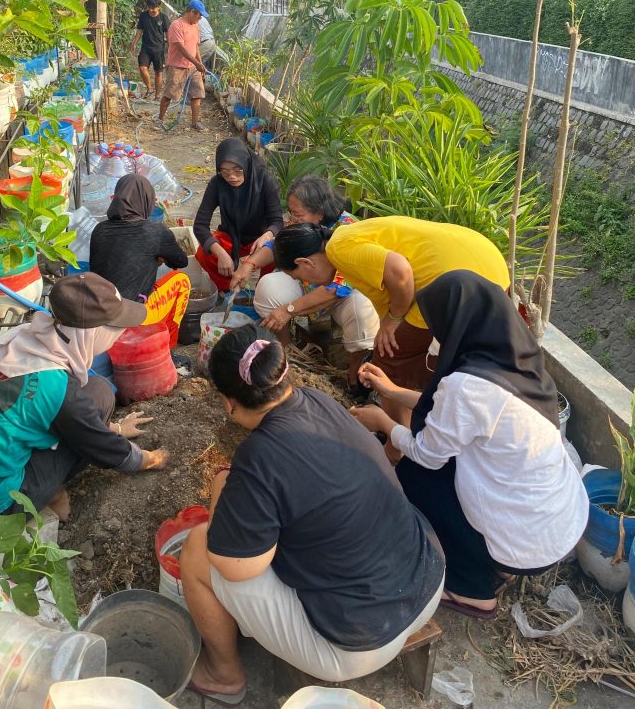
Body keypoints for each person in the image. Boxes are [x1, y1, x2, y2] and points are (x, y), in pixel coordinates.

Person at [179, 325, 444, 702]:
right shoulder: (319, 402)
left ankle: (224, 676)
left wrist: (223, 488)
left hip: (360, 641)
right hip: (427, 579)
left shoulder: (258, 458)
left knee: (197, 547)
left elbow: (236, 567)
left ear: (227, 402)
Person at [350, 271, 588, 619]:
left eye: (437, 327)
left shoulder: (468, 386)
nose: (435, 337)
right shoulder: (516, 359)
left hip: (529, 543)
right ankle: (500, 563)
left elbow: (426, 453)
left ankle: (471, 589)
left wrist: (384, 423)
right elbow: (457, 414)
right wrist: (391, 391)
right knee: (442, 460)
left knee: (416, 475)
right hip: (557, 526)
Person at [0, 274, 169, 521]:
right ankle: (53, 494)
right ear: (94, 334)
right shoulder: (58, 391)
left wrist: (116, 428)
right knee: (96, 402)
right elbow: (101, 447)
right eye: (116, 327)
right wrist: (148, 459)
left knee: (95, 393)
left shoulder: (20, 340)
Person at [272, 216, 510, 427]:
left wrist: (394, 319)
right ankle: (430, 416)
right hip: (488, 266)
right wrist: (389, 321)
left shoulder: (339, 250)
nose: (310, 283)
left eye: (299, 276)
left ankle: (400, 441)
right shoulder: (345, 234)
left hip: (455, 283)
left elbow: (400, 272)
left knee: (387, 363)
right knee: (411, 355)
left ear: (305, 262)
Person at [230, 176, 379, 396]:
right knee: (268, 287)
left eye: (297, 214)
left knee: (363, 310)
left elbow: (340, 288)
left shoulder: (349, 231)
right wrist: (249, 265)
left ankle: (354, 371)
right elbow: (277, 244)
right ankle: (287, 352)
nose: (291, 219)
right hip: (306, 286)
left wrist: (288, 309)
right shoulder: (299, 223)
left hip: (340, 297)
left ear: (320, 212)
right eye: (291, 213)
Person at [193, 138, 284, 292]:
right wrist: (220, 252)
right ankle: (229, 287)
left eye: (237, 170)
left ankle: (262, 291)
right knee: (204, 253)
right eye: (225, 172)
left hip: (260, 239)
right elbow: (200, 225)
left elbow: (277, 222)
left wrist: (268, 235)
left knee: (277, 251)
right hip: (231, 236)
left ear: (246, 165)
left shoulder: (265, 181)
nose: (232, 177)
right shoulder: (217, 184)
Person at [89, 174, 188, 301]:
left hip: (99, 305)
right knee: (181, 280)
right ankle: (163, 320)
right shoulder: (156, 231)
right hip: (133, 311)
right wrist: (161, 259)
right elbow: (182, 261)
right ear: (146, 200)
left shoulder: (99, 229)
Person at [157, 0, 208, 132]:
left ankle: (195, 122)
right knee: (169, 95)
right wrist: (196, 63)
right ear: (191, 12)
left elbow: (195, 46)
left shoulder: (196, 26)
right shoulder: (177, 25)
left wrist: (200, 63)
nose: (200, 18)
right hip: (177, 66)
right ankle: (160, 120)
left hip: (193, 67)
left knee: (197, 94)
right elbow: (181, 48)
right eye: (199, 15)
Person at [132, 0, 168, 100]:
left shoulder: (164, 17)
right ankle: (149, 88)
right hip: (146, 48)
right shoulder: (143, 16)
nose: (153, 9)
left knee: (158, 72)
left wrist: (170, 49)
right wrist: (134, 43)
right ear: (147, 6)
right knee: (142, 68)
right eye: (151, 7)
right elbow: (139, 30)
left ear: (158, 6)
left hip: (159, 49)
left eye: (155, 7)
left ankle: (157, 95)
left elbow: (168, 34)